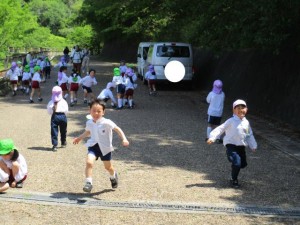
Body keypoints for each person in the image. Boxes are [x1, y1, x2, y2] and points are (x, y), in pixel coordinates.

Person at [73, 99, 129, 192]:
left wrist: (124, 139)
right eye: (93, 111)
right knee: (89, 162)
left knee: (108, 167)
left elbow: (117, 129)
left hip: (105, 148)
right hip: (93, 146)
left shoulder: (107, 122)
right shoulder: (89, 122)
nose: (96, 113)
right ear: (89, 111)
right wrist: (79, 138)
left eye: (99, 111)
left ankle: (113, 175)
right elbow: (88, 132)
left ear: (103, 112)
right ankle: (88, 183)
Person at [207, 99, 257, 188]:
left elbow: (249, 134)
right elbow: (221, 129)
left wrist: (253, 145)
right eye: (238, 108)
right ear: (234, 110)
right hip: (231, 145)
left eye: (243, 108)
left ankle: (234, 167)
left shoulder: (246, 122)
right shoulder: (231, 121)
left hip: (241, 146)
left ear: (246, 109)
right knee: (237, 163)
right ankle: (234, 179)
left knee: (242, 164)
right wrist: (212, 137)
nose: (240, 110)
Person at [47, 86, 69, 152]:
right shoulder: (64, 101)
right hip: (62, 116)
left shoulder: (51, 102)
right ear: (61, 93)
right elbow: (66, 110)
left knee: (54, 131)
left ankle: (55, 145)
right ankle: (63, 142)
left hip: (54, 116)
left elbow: (49, 111)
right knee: (63, 130)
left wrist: (52, 113)